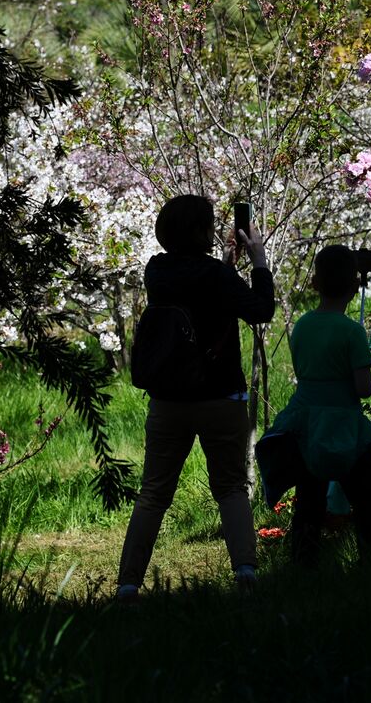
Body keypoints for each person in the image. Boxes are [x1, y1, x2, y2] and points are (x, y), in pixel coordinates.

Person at [116, 194, 275, 601]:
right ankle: (245, 573)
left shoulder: (157, 271)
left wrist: (224, 265)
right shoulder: (215, 277)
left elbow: (197, 293)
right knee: (231, 488)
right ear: (202, 231)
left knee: (153, 492)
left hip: (169, 399)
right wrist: (257, 261)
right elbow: (259, 310)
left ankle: (128, 584)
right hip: (221, 396)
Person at [260, 245, 371, 566]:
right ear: (354, 287)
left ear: (315, 283)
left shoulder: (302, 326)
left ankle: (304, 564)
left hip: (306, 424)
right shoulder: (352, 332)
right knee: (368, 495)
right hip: (344, 427)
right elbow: (361, 389)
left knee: (309, 497)